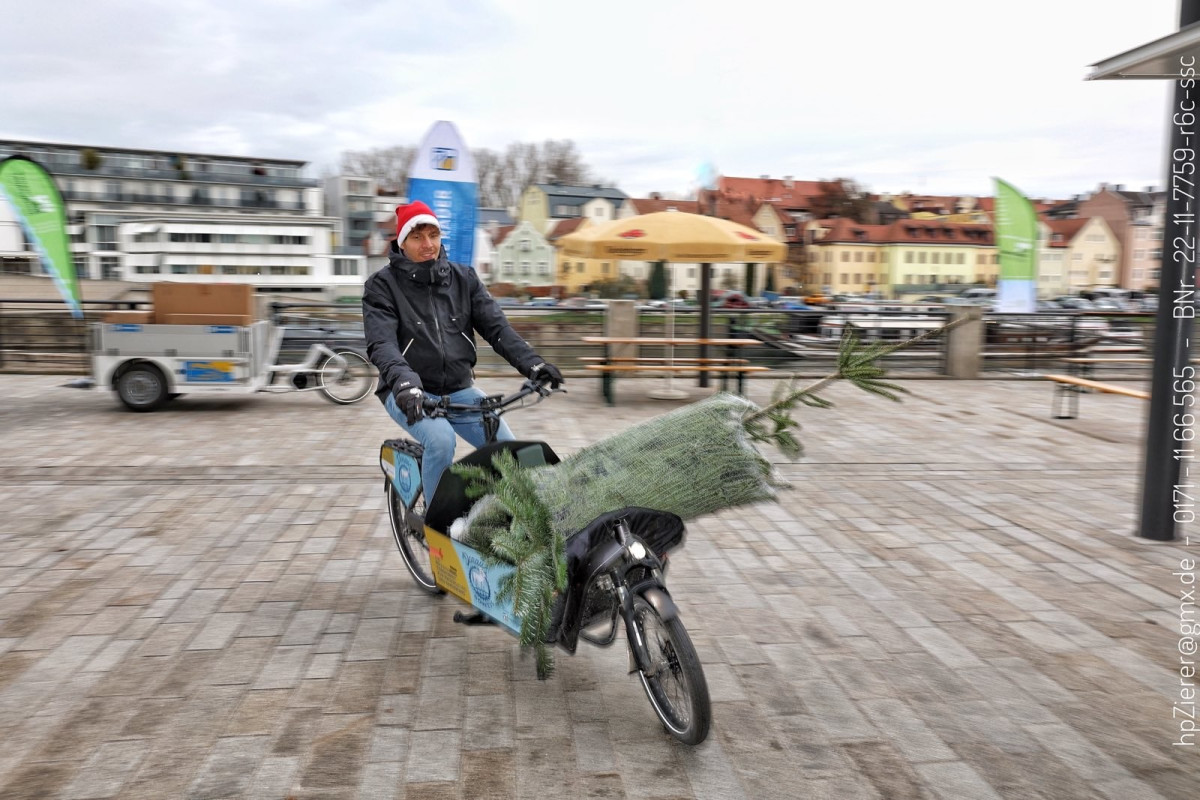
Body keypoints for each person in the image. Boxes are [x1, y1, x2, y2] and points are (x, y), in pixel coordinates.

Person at [363, 201, 563, 503]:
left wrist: (534, 365)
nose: (427, 244)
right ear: (402, 242)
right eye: (417, 237)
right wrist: (404, 382)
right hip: (406, 391)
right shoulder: (382, 286)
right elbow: (382, 344)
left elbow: (498, 329)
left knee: (507, 449)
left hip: (459, 389)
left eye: (433, 234)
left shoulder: (463, 278)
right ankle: (434, 529)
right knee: (441, 441)